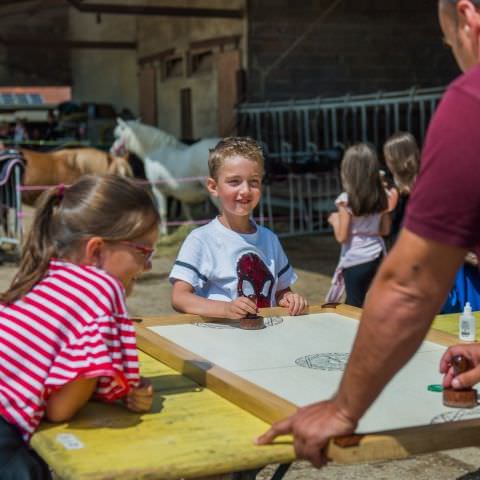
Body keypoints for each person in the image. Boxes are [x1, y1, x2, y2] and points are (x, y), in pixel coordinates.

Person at [257, 0, 480, 468]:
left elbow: (410, 284)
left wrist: (343, 408)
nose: (454, 56)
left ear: (467, 18)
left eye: (447, 42)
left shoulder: (472, 101)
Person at [0, 174, 159, 479]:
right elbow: (60, 410)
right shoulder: (100, 288)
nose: (148, 265)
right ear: (96, 251)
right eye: (143, 251)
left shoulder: (45, 273)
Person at [170, 137, 308, 318]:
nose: (245, 190)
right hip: (221, 342)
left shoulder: (270, 239)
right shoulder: (201, 240)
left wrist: (289, 298)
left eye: (253, 181)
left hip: (267, 340)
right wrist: (225, 309)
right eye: (234, 181)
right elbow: (180, 298)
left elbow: (281, 290)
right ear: (213, 186)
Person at [326, 143, 391, 307]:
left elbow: (342, 236)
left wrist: (334, 220)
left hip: (355, 260)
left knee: (353, 305)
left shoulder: (345, 200)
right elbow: (385, 230)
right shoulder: (382, 197)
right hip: (377, 256)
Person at [383, 131, 420, 246]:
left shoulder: (394, 191)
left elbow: (387, 229)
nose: (386, 162)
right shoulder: (391, 183)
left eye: (387, 158)